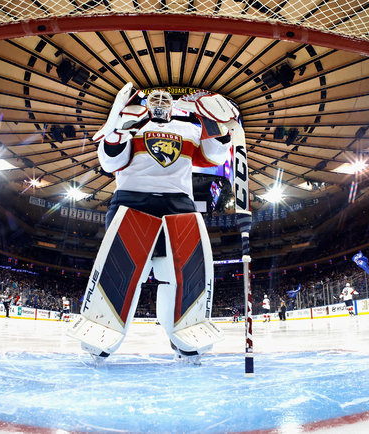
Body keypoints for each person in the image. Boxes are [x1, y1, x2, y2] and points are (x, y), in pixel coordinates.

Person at [68, 83, 240, 364]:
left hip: (179, 205)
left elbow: (216, 156)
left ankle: (185, 340)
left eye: (165, 99)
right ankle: (99, 339)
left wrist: (211, 118)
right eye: (155, 98)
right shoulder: (131, 123)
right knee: (123, 271)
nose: (160, 101)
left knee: (179, 276)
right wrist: (118, 131)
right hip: (131, 201)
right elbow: (110, 164)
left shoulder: (190, 128)